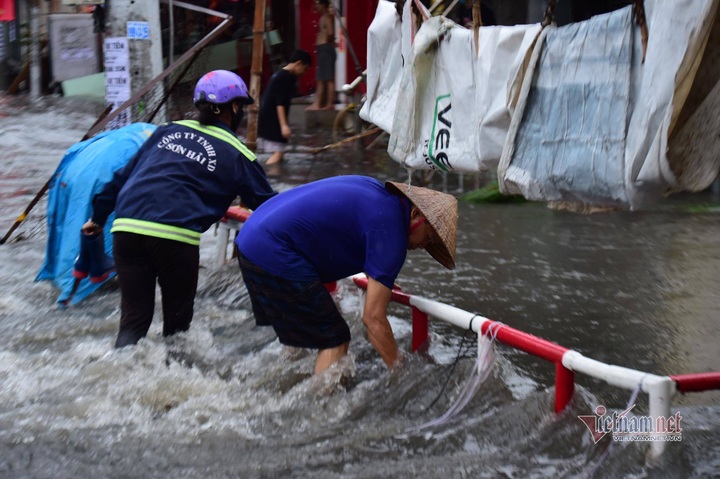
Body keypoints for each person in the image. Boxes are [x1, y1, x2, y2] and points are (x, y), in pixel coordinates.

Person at [82, 70, 277, 348]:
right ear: (235, 108)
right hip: (175, 237)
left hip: (127, 228)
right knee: (177, 330)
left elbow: (123, 176)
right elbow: (269, 207)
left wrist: (97, 218)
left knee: (133, 323)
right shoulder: (239, 153)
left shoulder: (167, 130)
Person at [235, 175, 458, 374]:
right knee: (335, 339)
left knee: (305, 336)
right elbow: (373, 320)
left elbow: (348, 227)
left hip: (250, 239)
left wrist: (380, 278)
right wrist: (402, 372)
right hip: (273, 251)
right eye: (428, 238)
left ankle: (281, 385)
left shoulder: (374, 190)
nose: (422, 246)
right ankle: (316, 412)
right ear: (416, 213)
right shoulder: (391, 234)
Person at [257, 50, 312, 166]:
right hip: (272, 118)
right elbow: (280, 102)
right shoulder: (284, 77)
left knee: (279, 150)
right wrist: (284, 125)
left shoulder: (284, 75)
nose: (305, 72)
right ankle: (268, 175)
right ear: (298, 64)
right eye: (305, 68)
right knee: (279, 151)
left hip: (267, 116)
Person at [307, 0, 336, 110]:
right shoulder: (324, 17)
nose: (316, 6)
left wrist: (328, 42)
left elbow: (330, 32)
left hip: (325, 49)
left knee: (326, 78)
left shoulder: (327, 17)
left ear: (323, 5)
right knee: (322, 77)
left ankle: (325, 103)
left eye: (318, 4)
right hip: (323, 49)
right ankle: (321, 102)